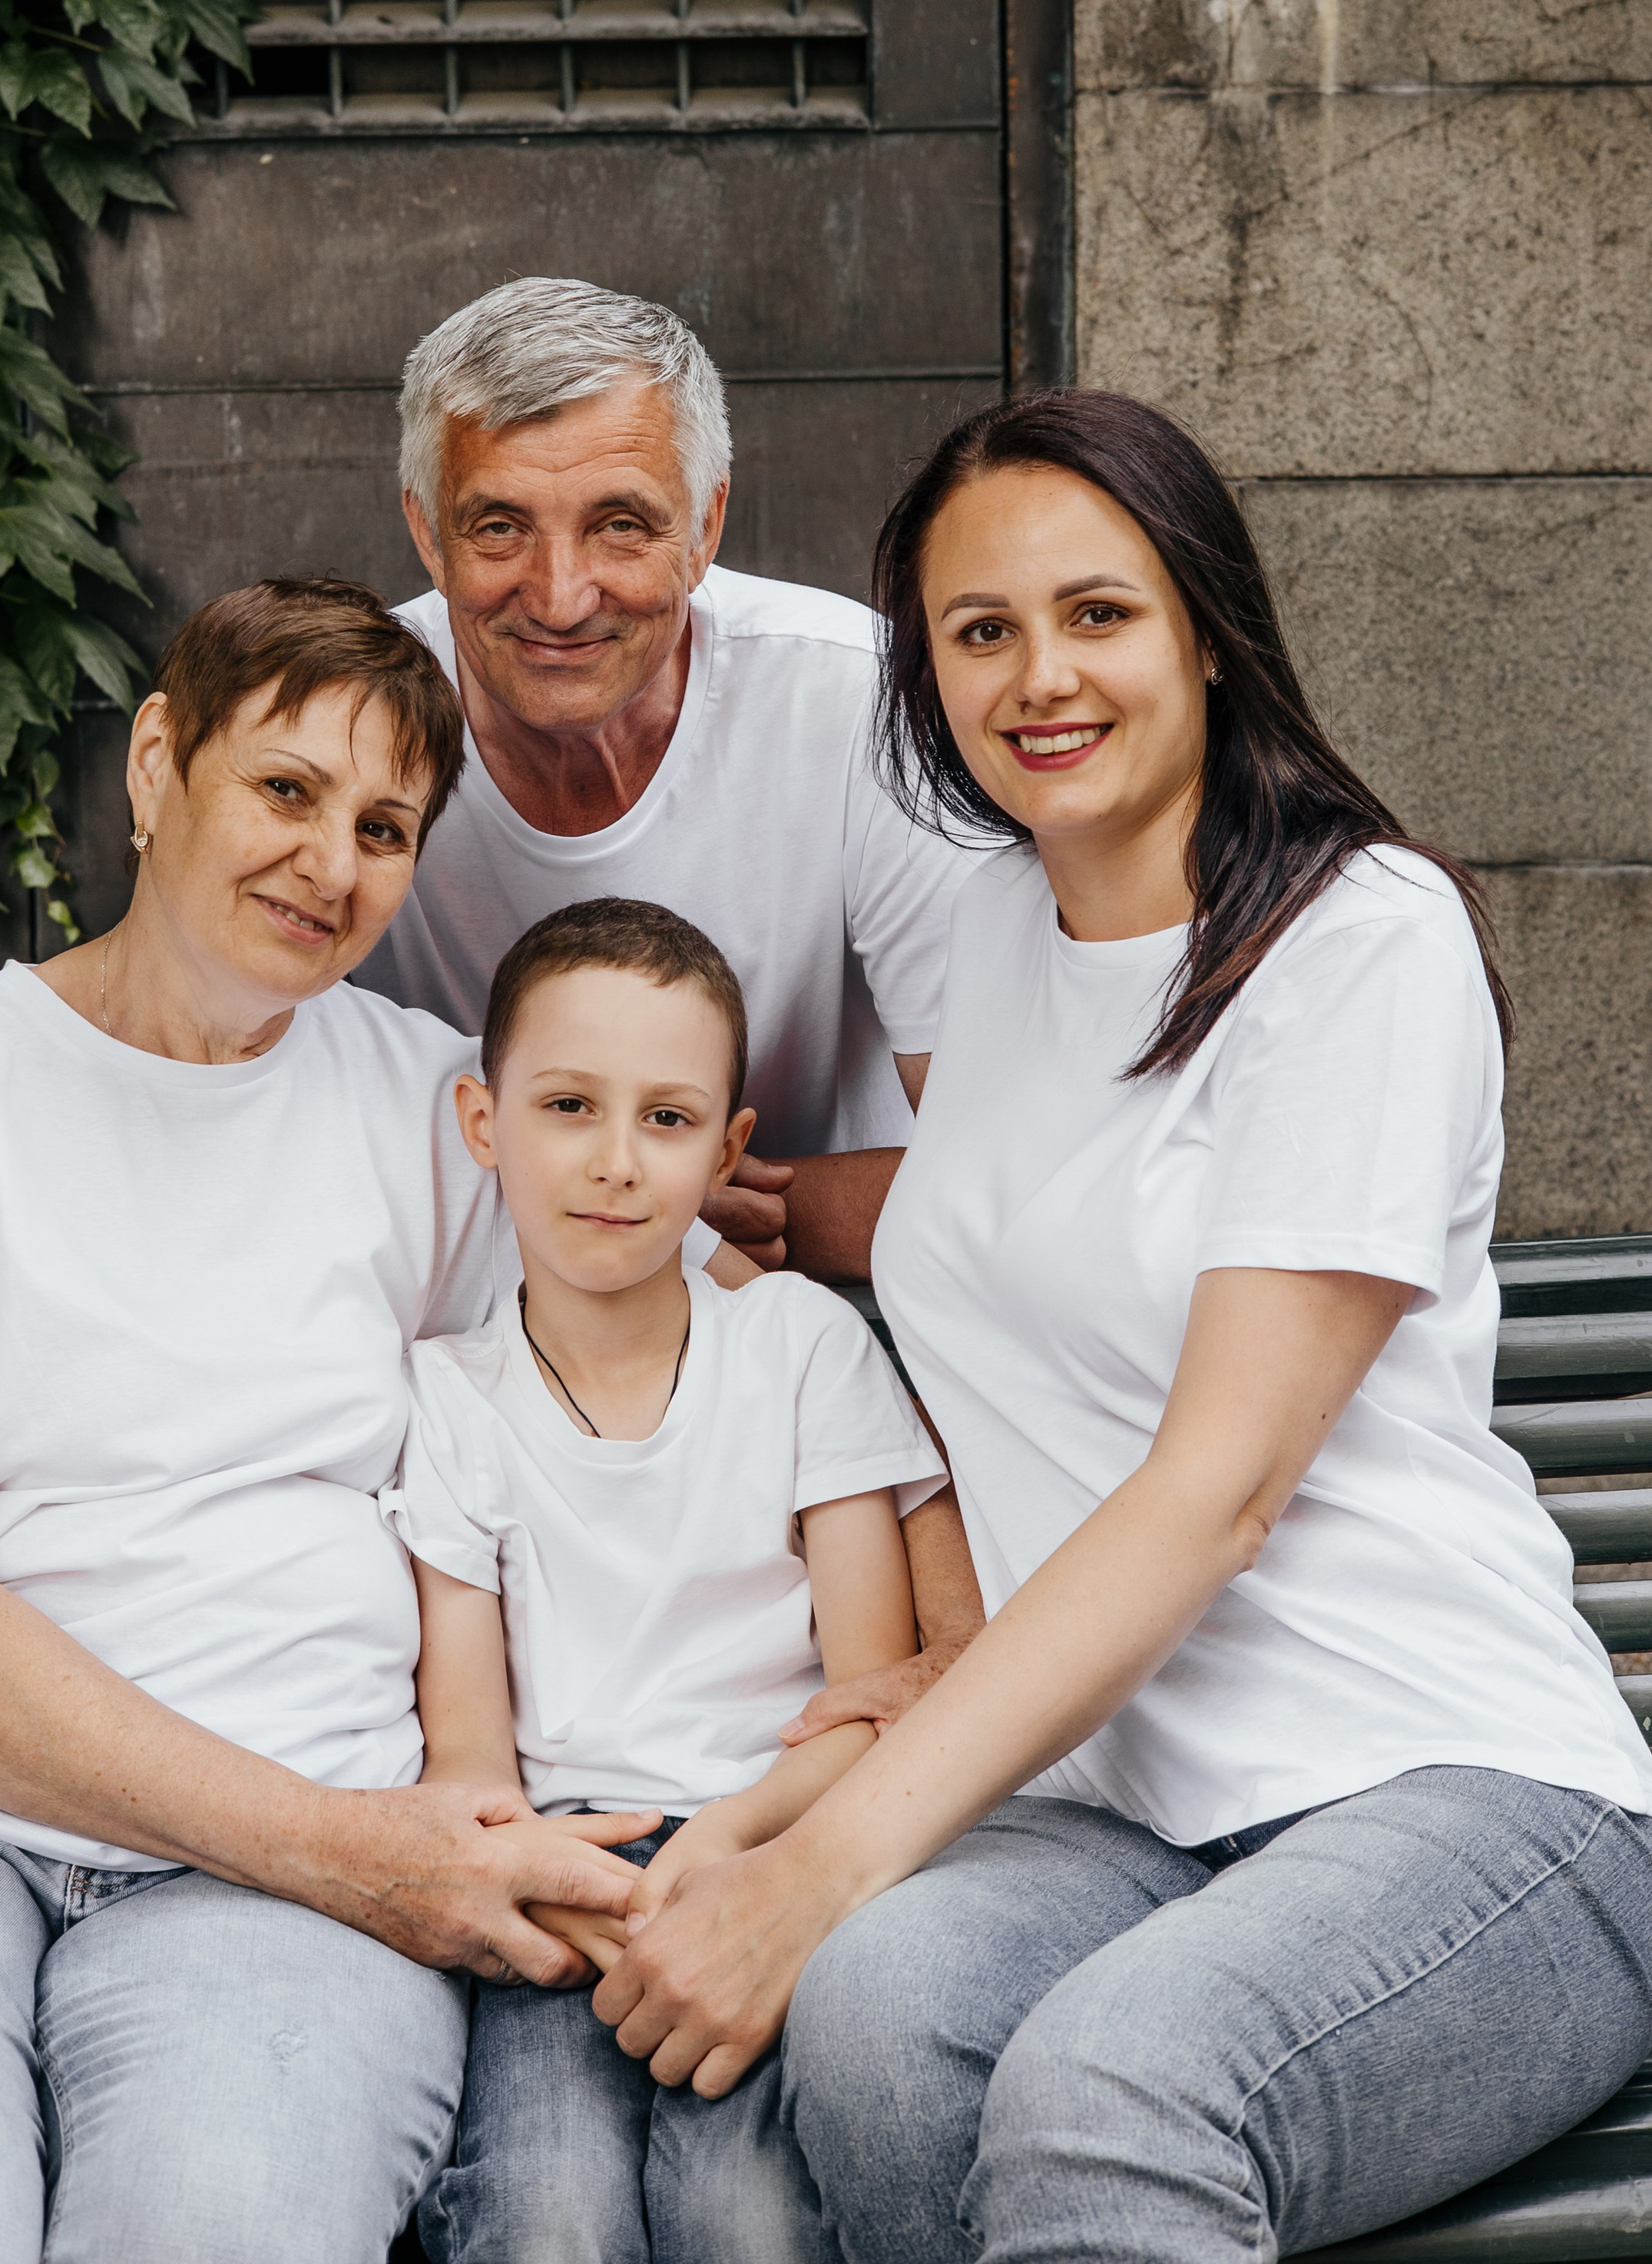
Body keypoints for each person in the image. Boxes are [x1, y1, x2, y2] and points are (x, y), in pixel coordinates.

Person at [591, 390, 1652, 2262]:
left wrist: (826, 1856)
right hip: (1118, 1803)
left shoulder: (1354, 940)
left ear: (1204, 630)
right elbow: (993, 1216)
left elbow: (1211, 1490)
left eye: (1097, 614)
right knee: (883, 2024)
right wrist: (741, 1204)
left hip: (1450, 1782)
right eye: (976, 631)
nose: (1036, 677)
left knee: (1115, 2090)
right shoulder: (993, 938)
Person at [0, 579, 659, 2264]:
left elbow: (723, 1327)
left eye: (383, 826)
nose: (331, 864)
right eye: (284, 790)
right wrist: (358, 1855)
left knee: (214, 2225)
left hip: (273, 1883)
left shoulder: (443, 1110)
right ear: (156, 767)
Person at [386, 897, 949, 2264]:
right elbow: (468, 1758)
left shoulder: (800, 1351)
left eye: (668, 1119)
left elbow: (874, 1700)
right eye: (569, 1106)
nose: (616, 1163)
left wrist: (729, 1845)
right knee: (543, 2224)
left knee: (745, 2224)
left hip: (773, 1858)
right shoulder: (454, 1397)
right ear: (484, 1122)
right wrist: (580, 1887)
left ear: (728, 1149)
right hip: (559, 1888)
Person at [353, 275, 983, 1284]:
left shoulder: (852, 697)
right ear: (427, 533)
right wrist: (658, 1217)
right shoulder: (349, 720)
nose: (561, 599)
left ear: (705, 527)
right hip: (464, 1314)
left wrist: (674, 1216)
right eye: (499, 527)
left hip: (831, 1296)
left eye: (622, 526)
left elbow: (1012, 1170)